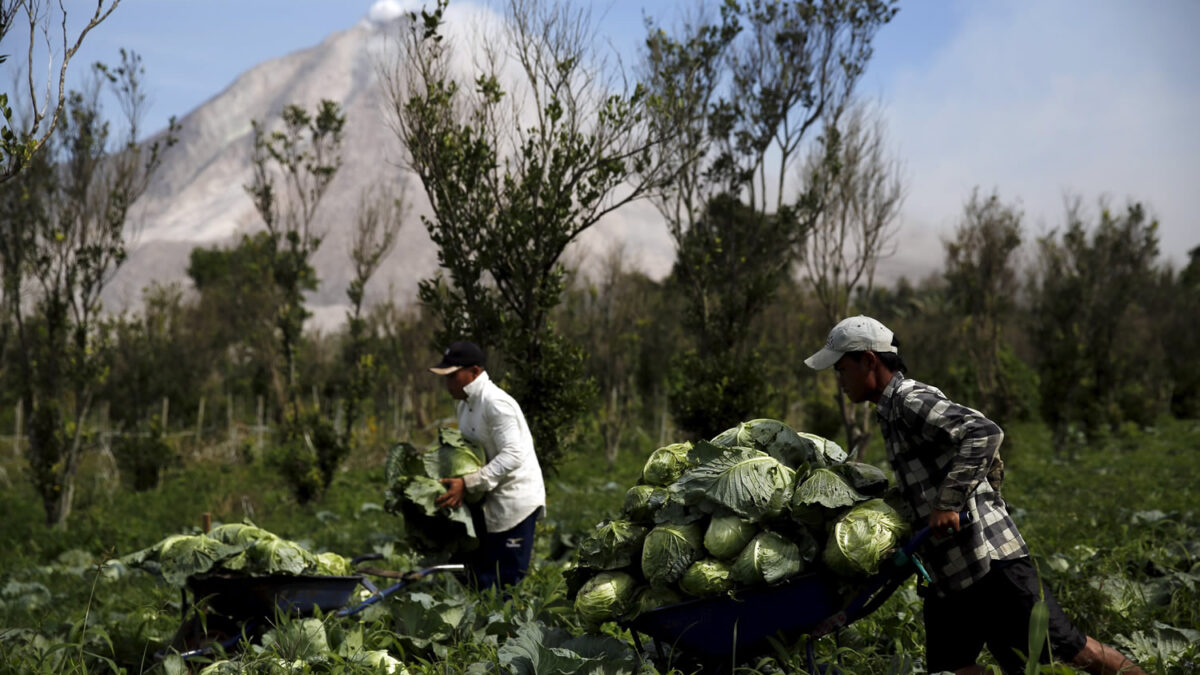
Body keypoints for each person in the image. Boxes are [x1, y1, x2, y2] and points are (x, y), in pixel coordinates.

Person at [805, 316, 1144, 675]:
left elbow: (984, 432)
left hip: (989, 562)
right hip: (950, 572)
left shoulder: (908, 401)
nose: (839, 381)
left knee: (1073, 651)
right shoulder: (889, 413)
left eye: (841, 369)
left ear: (869, 361)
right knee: (952, 668)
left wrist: (948, 503)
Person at [430, 340, 545, 590]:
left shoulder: (495, 403)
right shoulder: (464, 405)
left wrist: (467, 483)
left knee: (505, 585)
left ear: (474, 372)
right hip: (488, 503)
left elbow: (514, 454)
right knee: (478, 580)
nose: (447, 383)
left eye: (453, 376)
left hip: (514, 504)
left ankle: (507, 630)